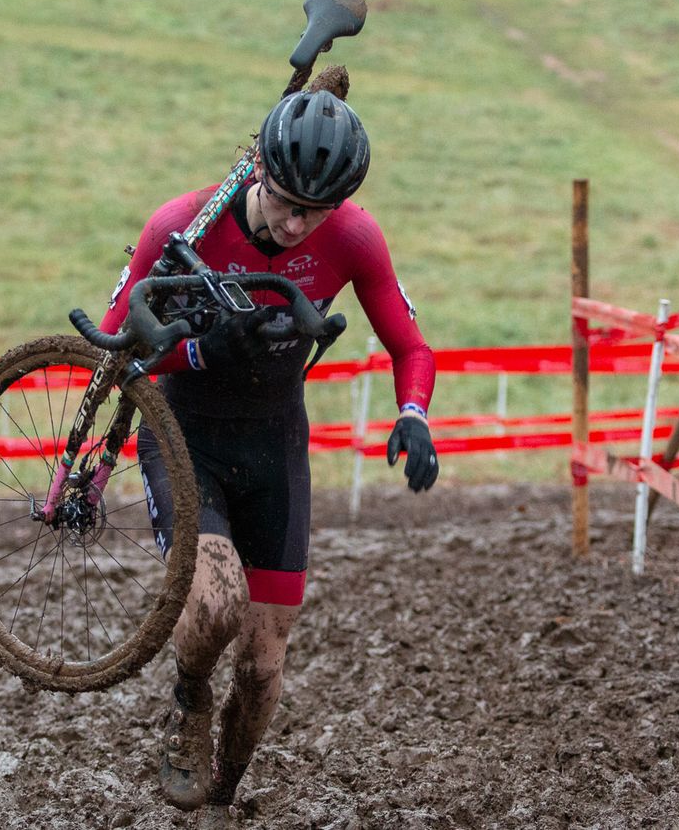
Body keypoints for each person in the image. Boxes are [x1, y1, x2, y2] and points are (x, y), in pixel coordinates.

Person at [97, 89, 439, 823]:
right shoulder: (182, 225)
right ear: (257, 173)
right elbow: (113, 344)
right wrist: (198, 346)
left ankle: (221, 798)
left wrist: (413, 416)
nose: (296, 226)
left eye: (315, 213)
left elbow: (411, 346)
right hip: (185, 430)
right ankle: (188, 700)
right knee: (216, 601)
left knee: (263, 663)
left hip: (275, 440)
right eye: (285, 204)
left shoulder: (354, 238)